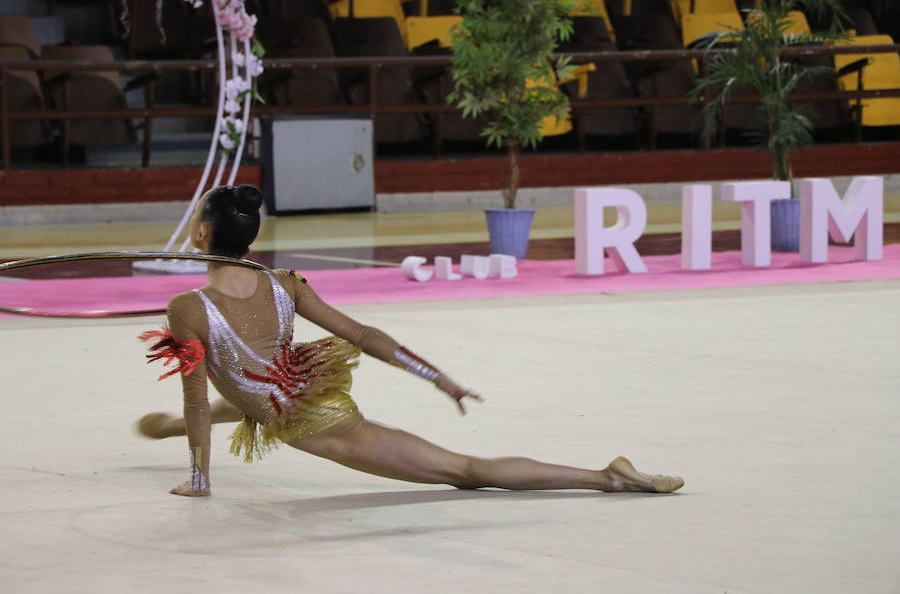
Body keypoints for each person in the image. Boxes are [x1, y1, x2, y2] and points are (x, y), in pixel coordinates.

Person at [137, 184, 684, 497]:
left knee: (464, 473)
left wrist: (198, 479)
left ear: (202, 233)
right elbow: (365, 334)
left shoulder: (188, 308)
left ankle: (605, 476)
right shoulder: (284, 284)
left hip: (325, 421)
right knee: (255, 384)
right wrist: (435, 375)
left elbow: (195, 396)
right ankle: (164, 430)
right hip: (288, 394)